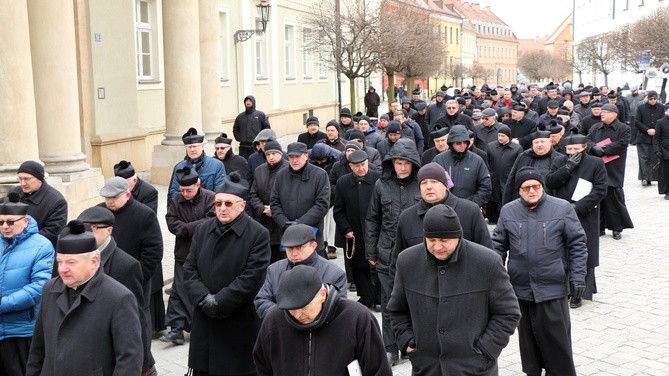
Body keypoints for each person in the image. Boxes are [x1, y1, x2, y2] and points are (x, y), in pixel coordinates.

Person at [388, 204, 520, 375]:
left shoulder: (487, 262)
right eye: (432, 240)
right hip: (427, 368)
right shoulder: (407, 261)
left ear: (458, 236)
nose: (437, 247)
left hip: (475, 369)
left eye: (444, 240)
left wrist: (485, 350)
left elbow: (509, 313)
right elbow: (396, 309)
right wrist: (407, 341)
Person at [492, 167, 587, 376]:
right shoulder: (508, 211)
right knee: (529, 344)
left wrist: (578, 277)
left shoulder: (561, 208)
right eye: (526, 187)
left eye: (536, 186)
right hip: (521, 289)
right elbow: (498, 246)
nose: (532, 191)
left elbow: (577, 244)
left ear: (542, 187)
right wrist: (494, 281)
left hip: (552, 288)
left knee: (557, 343)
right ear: (519, 190)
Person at [27, 221, 142, 375]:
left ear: (93, 261)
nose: (62, 269)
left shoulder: (119, 298)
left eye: (71, 262)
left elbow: (129, 361)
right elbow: (37, 350)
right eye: (59, 262)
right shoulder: (50, 289)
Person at [183, 172, 271, 376]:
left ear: (242, 205)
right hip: (205, 321)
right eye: (218, 203)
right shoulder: (203, 230)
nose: (222, 208)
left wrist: (220, 302)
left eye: (228, 204)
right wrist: (204, 298)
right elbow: (189, 269)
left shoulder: (258, 234)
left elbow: (252, 277)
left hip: (237, 324)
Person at [253, 265, 391, 376]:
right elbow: (263, 366)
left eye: (304, 306)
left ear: (322, 295)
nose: (297, 314)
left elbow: (378, 369)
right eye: (291, 308)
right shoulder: (274, 320)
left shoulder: (357, 317)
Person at [365, 137, 422, 365]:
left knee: (416, 302)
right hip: (387, 254)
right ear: (392, 163)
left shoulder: (422, 184)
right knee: (390, 303)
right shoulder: (381, 185)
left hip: (417, 254)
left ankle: (412, 343)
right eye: (399, 162)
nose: (403, 167)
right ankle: (390, 348)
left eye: (407, 163)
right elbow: (372, 219)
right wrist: (371, 252)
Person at [99, 176, 162, 375]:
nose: (109, 201)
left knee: (136, 330)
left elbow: (153, 251)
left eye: (114, 197)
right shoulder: (100, 213)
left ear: (127, 194)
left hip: (134, 285)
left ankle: (145, 367)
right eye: (106, 197)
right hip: (104, 283)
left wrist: (137, 276)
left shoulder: (144, 215)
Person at [546, 135, 608, 308]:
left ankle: (580, 292)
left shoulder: (596, 163)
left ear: (584, 148)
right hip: (561, 213)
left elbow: (600, 189)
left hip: (585, 215)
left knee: (585, 252)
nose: (572, 153)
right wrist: (567, 168)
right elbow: (550, 182)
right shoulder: (559, 161)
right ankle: (563, 290)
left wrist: (578, 206)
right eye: (569, 149)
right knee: (562, 251)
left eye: (576, 149)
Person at [76, 205, 147, 354]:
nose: (88, 233)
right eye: (84, 228)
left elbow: (136, 317)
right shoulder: (73, 259)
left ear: (109, 231)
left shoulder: (126, 266)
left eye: (94, 227)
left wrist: (141, 360)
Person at [0, 193, 54, 376]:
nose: (5, 227)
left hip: (22, 331)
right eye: (0, 223)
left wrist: (3, 304)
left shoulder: (42, 246)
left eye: (10, 222)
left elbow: (39, 287)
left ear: (25, 220)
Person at [163, 167, 216, 345]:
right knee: (179, 289)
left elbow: (211, 220)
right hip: (183, 253)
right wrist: (186, 229)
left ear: (198, 185)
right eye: (182, 190)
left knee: (200, 290)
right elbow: (170, 220)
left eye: (189, 190)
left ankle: (200, 328)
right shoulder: (177, 200)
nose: (185, 194)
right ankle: (176, 329)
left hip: (206, 252)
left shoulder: (210, 198)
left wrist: (187, 228)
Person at [254, 223, 347, 319]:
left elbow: (339, 308)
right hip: (282, 329)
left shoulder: (335, 274)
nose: (294, 253)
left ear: (313, 246)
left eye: (299, 248)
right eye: (289, 248)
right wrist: (288, 317)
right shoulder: (274, 269)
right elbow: (261, 300)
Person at [333, 150, 380, 309]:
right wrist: (346, 229)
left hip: (376, 230)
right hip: (354, 232)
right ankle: (366, 297)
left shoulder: (377, 179)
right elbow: (338, 210)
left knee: (378, 265)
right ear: (350, 166)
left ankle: (380, 298)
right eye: (357, 166)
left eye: (363, 165)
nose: (361, 169)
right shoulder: (343, 183)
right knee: (359, 266)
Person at [270, 142, 331, 258]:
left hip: (311, 237)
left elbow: (322, 205)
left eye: (297, 156)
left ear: (306, 156)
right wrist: (284, 223)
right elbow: (274, 203)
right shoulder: (281, 175)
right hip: (287, 236)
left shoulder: (320, 175)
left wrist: (299, 224)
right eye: (291, 157)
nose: (294, 160)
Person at [587, 103, 634, 240]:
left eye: (606, 112)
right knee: (597, 199)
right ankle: (599, 227)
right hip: (597, 166)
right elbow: (588, 140)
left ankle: (616, 228)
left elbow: (622, 143)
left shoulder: (624, 128)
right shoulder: (595, 128)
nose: (602, 114)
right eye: (601, 112)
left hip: (614, 167)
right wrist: (593, 147)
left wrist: (603, 149)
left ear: (614, 114)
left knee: (614, 197)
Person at [11, 161, 67, 252]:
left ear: (39, 179)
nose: (22, 183)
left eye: (27, 179)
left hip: (38, 250)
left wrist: (21, 241)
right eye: (20, 179)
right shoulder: (14, 193)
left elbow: (52, 232)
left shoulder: (57, 201)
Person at [248, 140, 289, 263]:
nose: (271, 157)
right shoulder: (259, 170)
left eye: (274, 154)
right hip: (263, 220)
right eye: (268, 154)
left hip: (281, 222)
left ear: (281, 154)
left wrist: (274, 210)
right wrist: (262, 209)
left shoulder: (288, 169)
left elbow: (290, 195)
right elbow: (253, 193)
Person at [433, 125, 492, 207]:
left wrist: (474, 204)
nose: (462, 145)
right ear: (451, 143)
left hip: (469, 207)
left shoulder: (477, 160)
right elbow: (433, 183)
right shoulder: (439, 159)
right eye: (458, 143)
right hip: (444, 207)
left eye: (465, 142)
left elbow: (486, 186)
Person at [168, 128, 226, 207]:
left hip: (208, 208)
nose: (192, 150)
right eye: (189, 147)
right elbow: (173, 192)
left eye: (195, 146)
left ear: (202, 146)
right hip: (185, 209)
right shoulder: (179, 167)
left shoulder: (217, 165)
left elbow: (219, 192)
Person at [503, 128, 561, 205]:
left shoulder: (559, 158)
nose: (539, 145)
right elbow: (511, 181)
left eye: (542, 141)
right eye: (536, 142)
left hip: (551, 204)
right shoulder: (523, 156)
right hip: (523, 203)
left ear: (550, 142)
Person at [486, 125, 522, 224]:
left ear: (509, 136)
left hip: (508, 181)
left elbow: (519, 165)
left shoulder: (517, 148)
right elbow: (487, 163)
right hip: (494, 180)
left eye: (503, 136)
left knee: (507, 201)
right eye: (499, 135)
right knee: (493, 202)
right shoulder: (491, 146)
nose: (500, 138)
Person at [635, 90, 662, 186]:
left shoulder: (661, 108)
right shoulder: (641, 108)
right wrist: (647, 130)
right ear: (647, 98)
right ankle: (644, 178)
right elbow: (637, 121)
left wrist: (656, 130)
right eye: (651, 99)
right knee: (643, 158)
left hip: (656, 137)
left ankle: (651, 177)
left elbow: (662, 121)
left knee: (653, 158)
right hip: (643, 137)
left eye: (655, 99)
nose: (653, 100)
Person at [233, 95, 271, 160]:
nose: (248, 102)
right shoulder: (240, 116)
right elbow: (235, 129)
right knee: (244, 164)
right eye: (246, 101)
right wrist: (239, 137)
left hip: (256, 146)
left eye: (250, 101)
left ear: (253, 102)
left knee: (256, 162)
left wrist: (261, 142)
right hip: (243, 147)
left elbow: (266, 129)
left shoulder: (260, 115)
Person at [653, 102, 669, 199]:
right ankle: (667, 191)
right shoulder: (660, 122)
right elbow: (656, 138)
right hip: (665, 150)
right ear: (666, 111)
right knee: (666, 173)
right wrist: (657, 151)